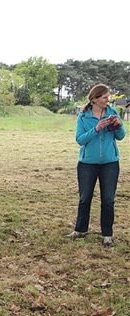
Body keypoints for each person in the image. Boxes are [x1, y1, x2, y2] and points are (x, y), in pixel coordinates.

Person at [67, 84, 125, 247]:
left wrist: (118, 126)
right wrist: (97, 128)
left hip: (110, 163)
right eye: (105, 97)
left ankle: (107, 235)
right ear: (95, 99)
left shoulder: (113, 113)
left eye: (108, 97)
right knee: (85, 198)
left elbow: (120, 137)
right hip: (87, 164)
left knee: (108, 200)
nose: (108, 100)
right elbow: (80, 139)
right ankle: (80, 230)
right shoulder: (83, 117)